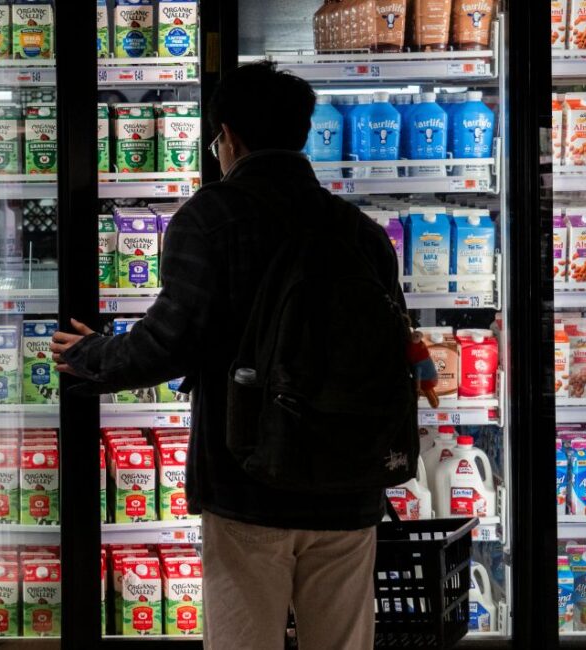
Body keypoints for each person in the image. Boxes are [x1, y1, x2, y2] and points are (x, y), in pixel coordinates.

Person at [51, 61, 405, 650]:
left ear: (229, 138)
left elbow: (168, 341)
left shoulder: (212, 217)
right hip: (350, 483)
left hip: (249, 480)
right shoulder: (359, 230)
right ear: (301, 132)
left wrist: (90, 355)